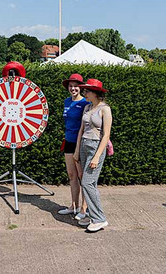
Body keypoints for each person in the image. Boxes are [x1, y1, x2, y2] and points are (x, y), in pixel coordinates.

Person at [73, 78, 112, 232]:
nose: (84, 93)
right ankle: (91, 215)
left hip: (95, 147)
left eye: (87, 91)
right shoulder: (87, 107)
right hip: (83, 145)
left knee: (87, 183)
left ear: (95, 93)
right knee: (90, 183)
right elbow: (81, 130)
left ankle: (100, 219)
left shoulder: (105, 109)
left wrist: (97, 156)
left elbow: (106, 135)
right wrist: (77, 150)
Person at [58, 74, 90, 220]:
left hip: (80, 143)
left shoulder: (85, 103)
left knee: (83, 176)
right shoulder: (66, 102)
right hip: (69, 141)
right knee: (72, 175)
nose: (73, 88)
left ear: (80, 87)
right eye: (71, 86)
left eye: (76, 86)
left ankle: (84, 208)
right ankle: (73, 206)